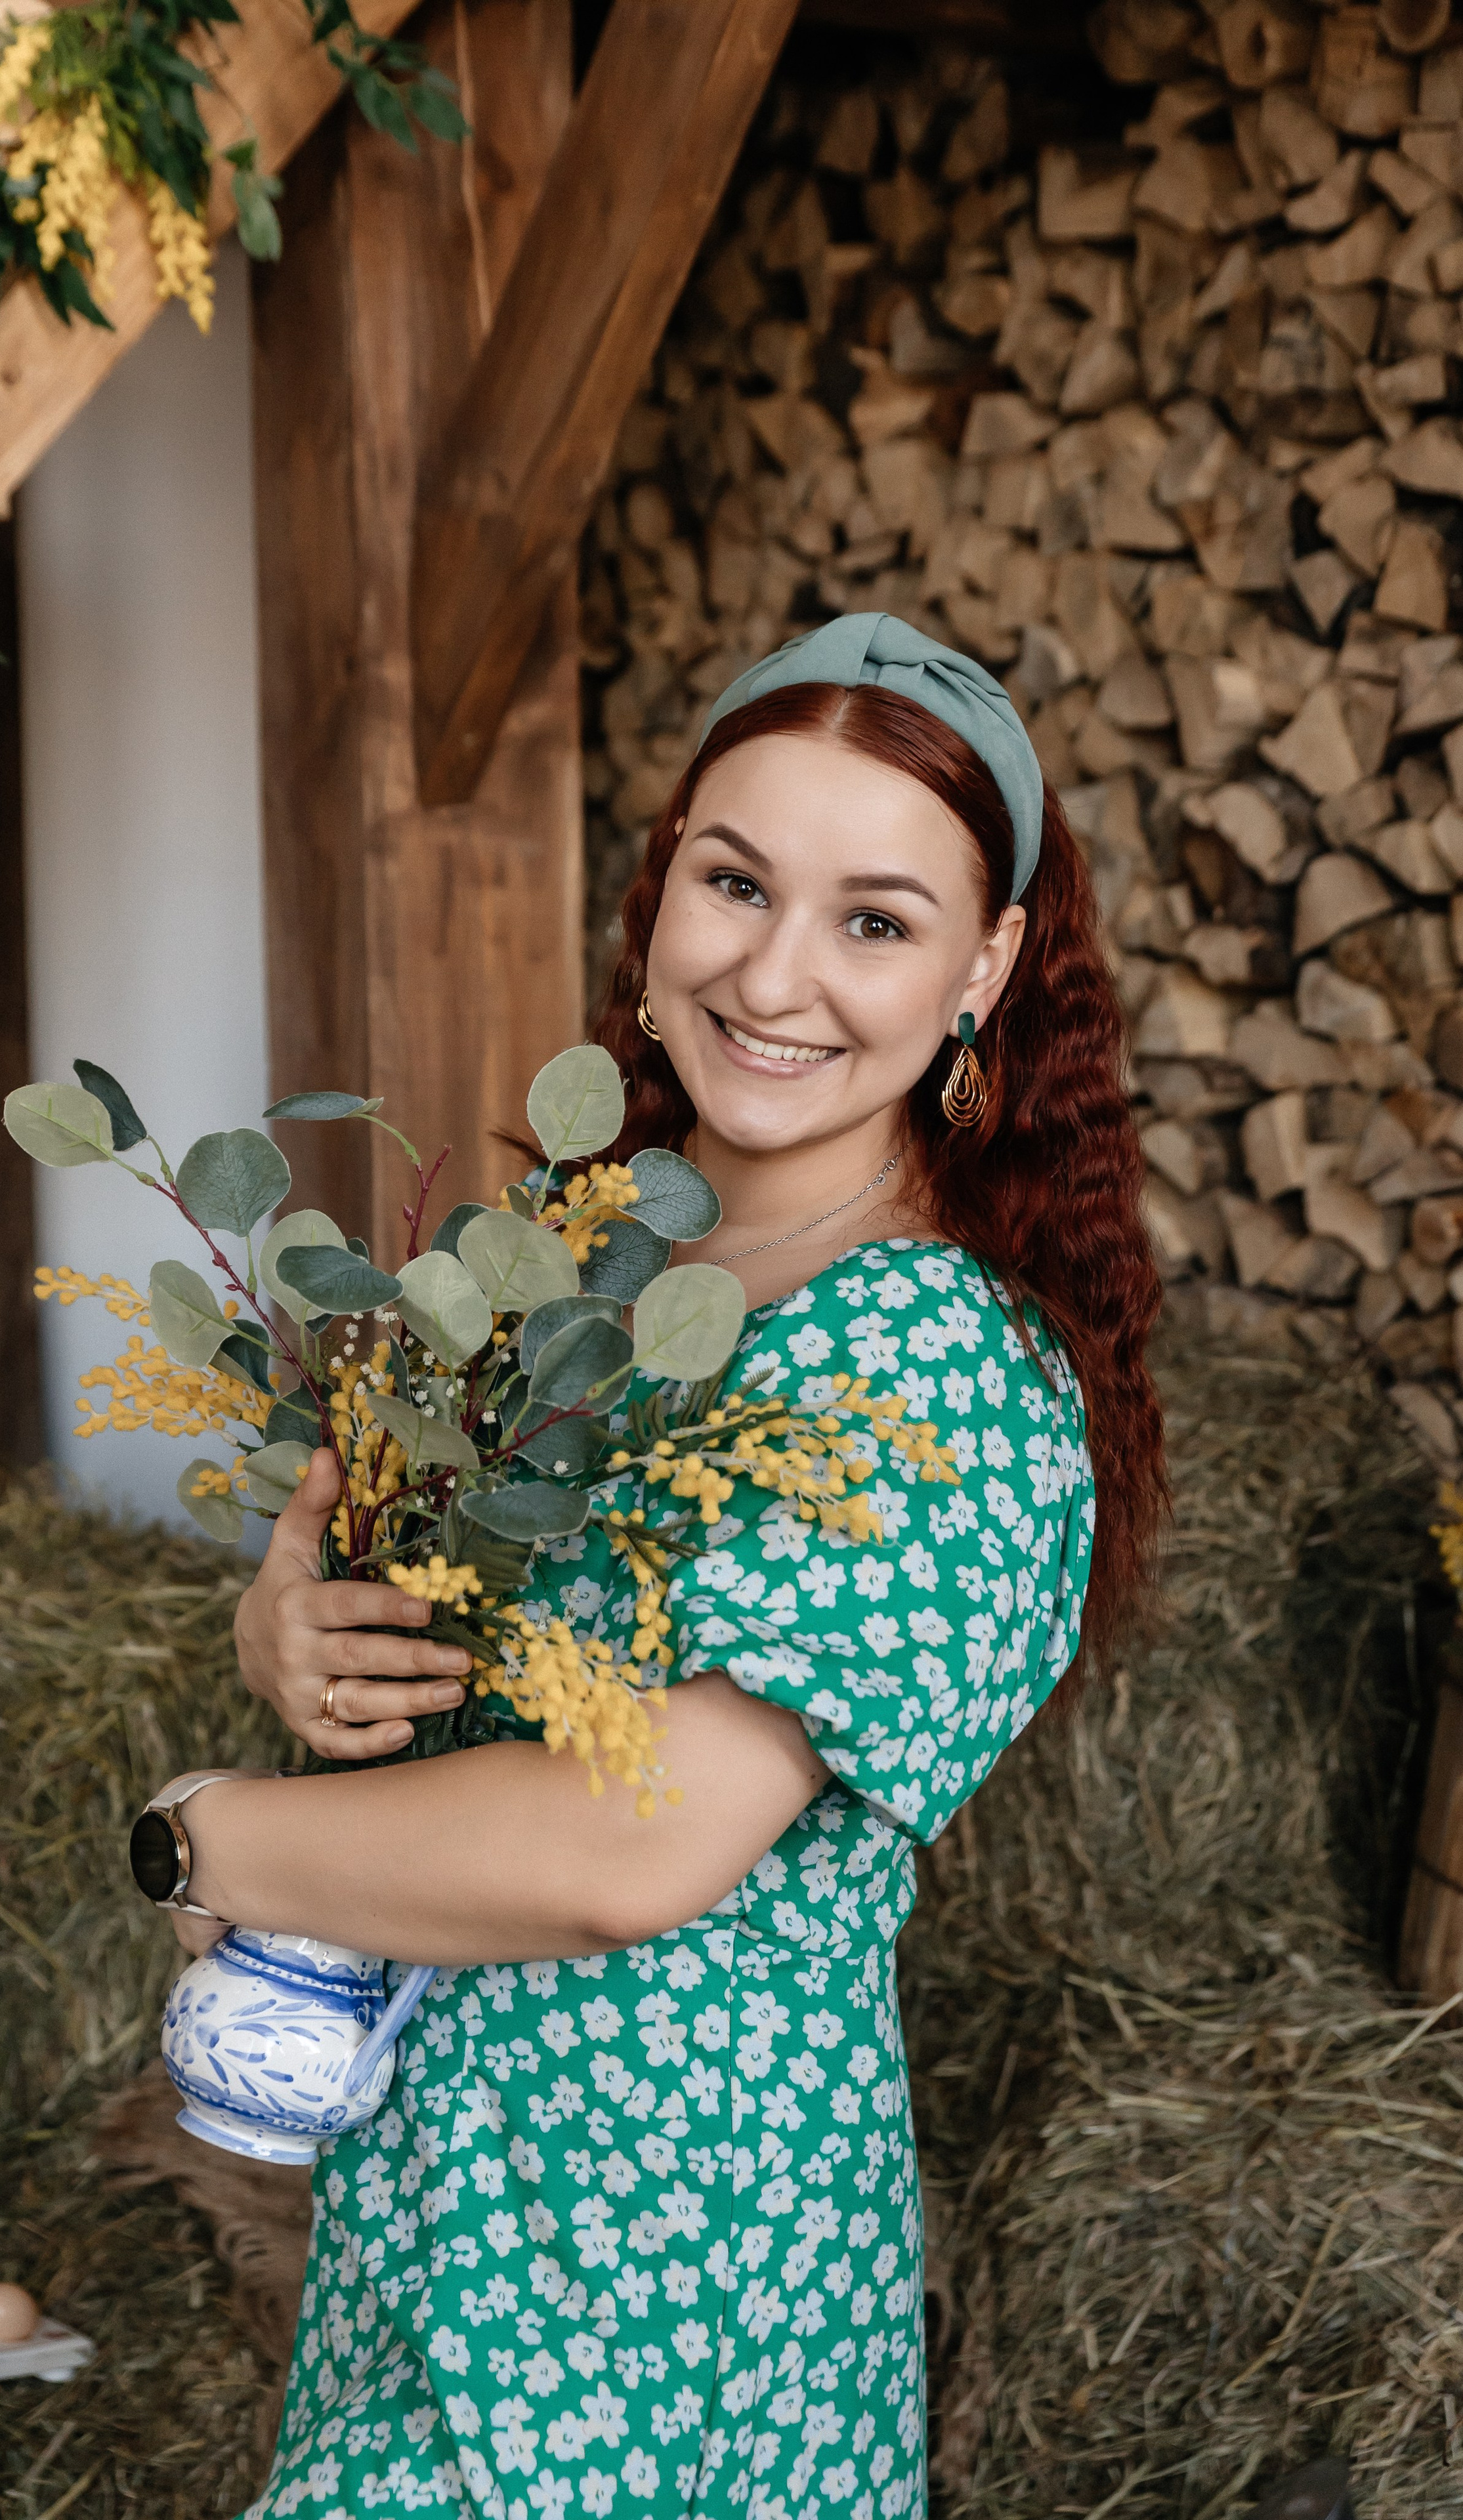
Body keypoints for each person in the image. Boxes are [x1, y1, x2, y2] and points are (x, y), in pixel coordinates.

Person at [169, 614, 1168, 2520]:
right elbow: (422, 1630)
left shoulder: (926, 1362)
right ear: (660, 898)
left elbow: (637, 1844)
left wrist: (202, 1834)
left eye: (875, 920)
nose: (774, 974)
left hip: (663, 2260)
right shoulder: (587, 1263)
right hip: (450, 2173)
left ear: (990, 966)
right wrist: (294, 1631)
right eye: (734, 882)